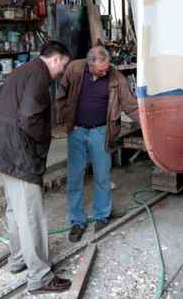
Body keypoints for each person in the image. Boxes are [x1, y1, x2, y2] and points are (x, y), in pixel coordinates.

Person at [0, 40, 72, 295]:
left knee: (15, 209)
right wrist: (44, 139)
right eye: (62, 65)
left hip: (3, 149)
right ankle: (40, 276)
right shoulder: (40, 76)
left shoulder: (22, 70)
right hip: (19, 153)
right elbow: (30, 117)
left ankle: (19, 259)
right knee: (30, 213)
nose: (61, 71)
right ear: (55, 59)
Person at [56, 46, 139, 243]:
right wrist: (63, 117)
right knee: (75, 177)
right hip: (77, 130)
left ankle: (102, 216)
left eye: (106, 68)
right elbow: (61, 93)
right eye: (100, 69)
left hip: (101, 131)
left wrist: (148, 125)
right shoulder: (75, 69)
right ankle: (77, 221)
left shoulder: (116, 78)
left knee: (102, 176)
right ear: (90, 64)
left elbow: (130, 105)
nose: (104, 72)